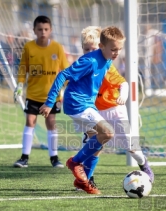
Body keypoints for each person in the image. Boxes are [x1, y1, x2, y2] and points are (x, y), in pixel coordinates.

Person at [39, 26, 126, 194]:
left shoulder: (108, 60)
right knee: (108, 133)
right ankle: (75, 162)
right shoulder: (90, 61)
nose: (116, 53)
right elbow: (62, 75)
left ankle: (84, 181)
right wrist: (50, 102)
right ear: (102, 47)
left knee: (98, 142)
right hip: (77, 103)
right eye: (113, 49)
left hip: (87, 104)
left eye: (119, 49)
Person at [76, 26, 154, 191]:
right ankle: (86, 179)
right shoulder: (81, 65)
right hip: (93, 111)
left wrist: (123, 95)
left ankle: (144, 164)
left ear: (101, 48)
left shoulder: (106, 66)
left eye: (94, 48)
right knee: (94, 144)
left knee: (131, 146)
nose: (90, 51)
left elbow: (123, 83)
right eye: (86, 49)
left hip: (114, 109)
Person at [13, 15, 70, 168]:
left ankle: (54, 158)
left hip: (52, 96)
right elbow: (23, 68)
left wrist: (69, 86)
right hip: (33, 93)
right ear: (34, 30)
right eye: (40, 29)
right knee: (30, 121)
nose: (43, 32)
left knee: (51, 123)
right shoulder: (29, 47)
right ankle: (24, 157)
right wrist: (19, 85)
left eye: (46, 29)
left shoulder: (57, 48)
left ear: (50, 30)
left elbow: (66, 70)